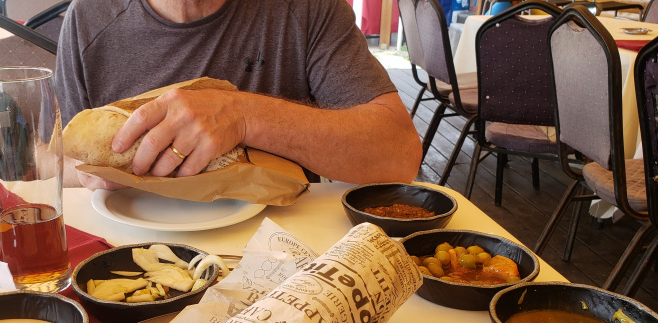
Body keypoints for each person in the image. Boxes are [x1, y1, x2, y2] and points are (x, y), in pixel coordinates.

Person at [55, 0, 422, 188]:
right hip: (129, 254)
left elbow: (399, 153)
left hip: (285, 259)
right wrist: (86, 173)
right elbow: (51, 158)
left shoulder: (308, 9)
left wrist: (244, 116)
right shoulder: (88, 18)